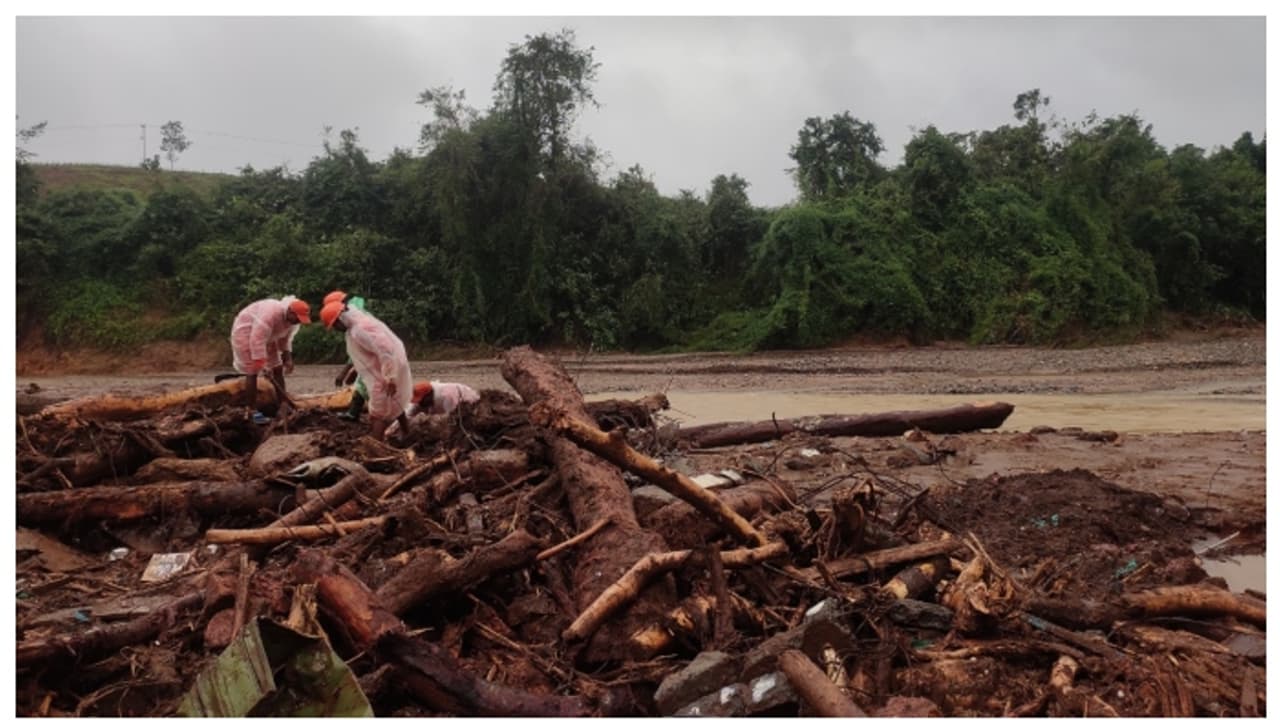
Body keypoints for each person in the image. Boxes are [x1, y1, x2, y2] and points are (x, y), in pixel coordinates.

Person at [320, 301, 412, 440]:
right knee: (394, 401)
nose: (335, 329)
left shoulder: (360, 329)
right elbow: (364, 355)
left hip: (384, 372)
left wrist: (390, 377)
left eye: (334, 325)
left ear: (340, 319)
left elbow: (385, 351)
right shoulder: (356, 327)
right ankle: (406, 433)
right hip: (384, 369)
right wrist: (354, 371)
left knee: (377, 414)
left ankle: (376, 448)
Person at [229, 295, 311, 410]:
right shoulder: (270, 314)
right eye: (297, 318)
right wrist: (262, 364)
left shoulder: (292, 323)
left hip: (268, 338)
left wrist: (288, 358)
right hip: (247, 334)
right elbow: (257, 340)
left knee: (277, 368)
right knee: (252, 371)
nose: (298, 321)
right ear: (290, 312)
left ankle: (283, 404)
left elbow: (285, 340)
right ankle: (250, 410)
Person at [323, 289, 371, 421]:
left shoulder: (357, 322)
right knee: (363, 384)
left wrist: (346, 372)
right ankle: (354, 413)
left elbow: (359, 350)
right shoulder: (354, 316)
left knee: (368, 384)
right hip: (369, 357)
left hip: (373, 357)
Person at [409, 380, 480, 417]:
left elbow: (451, 417)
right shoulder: (422, 402)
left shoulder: (446, 397)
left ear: (429, 395)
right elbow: (409, 414)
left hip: (469, 399)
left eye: (421, 400)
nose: (420, 403)